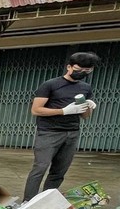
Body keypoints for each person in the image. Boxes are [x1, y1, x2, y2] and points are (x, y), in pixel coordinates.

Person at [23, 52, 98, 200]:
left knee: (59, 171)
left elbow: (85, 116)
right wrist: (63, 111)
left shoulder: (85, 88)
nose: (81, 73)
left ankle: (45, 202)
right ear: (69, 66)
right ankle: (27, 201)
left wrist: (88, 106)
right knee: (40, 167)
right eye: (78, 69)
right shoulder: (50, 84)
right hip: (49, 132)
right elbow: (36, 110)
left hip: (72, 133)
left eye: (86, 71)